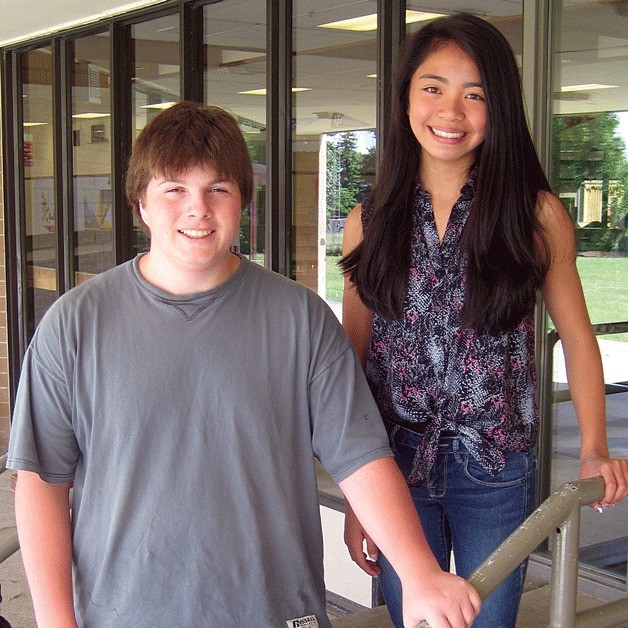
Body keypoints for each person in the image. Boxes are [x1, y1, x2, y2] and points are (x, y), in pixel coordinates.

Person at [7, 101, 481, 628]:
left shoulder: (300, 318)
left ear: (243, 203)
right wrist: (56, 622)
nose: (198, 210)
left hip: (275, 610)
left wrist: (417, 572)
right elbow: (41, 480)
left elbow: (361, 456)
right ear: (141, 201)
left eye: (219, 189)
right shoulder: (74, 324)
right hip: (123, 613)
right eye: (174, 190)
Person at [340, 13, 628, 628]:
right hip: (394, 467)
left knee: (487, 622)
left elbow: (577, 341)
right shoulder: (369, 219)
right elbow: (353, 362)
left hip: (495, 470)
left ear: (499, 108)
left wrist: (595, 450)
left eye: (476, 94)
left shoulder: (535, 214)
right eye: (433, 87)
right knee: (416, 619)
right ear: (406, 97)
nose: (452, 110)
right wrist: (358, 498)